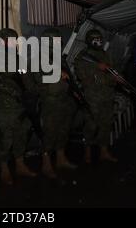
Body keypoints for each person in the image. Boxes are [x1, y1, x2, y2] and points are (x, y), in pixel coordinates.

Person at [0, 28, 37, 185]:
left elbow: (27, 78)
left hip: (22, 106)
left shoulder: (18, 59)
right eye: (11, 40)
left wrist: (31, 94)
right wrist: (18, 94)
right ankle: (4, 168)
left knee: (21, 135)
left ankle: (20, 164)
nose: (14, 43)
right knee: (6, 138)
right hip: (6, 106)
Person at [37, 28, 78, 178]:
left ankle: (61, 159)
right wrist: (56, 74)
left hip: (63, 99)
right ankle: (46, 163)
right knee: (49, 133)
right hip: (50, 101)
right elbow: (37, 80)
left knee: (63, 131)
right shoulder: (39, 58)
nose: (57, 43)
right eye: (54, 40)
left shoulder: (59, 58)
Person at [73, 29, 118, 163]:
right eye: (95, 38)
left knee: (106, 124)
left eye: (99, 38)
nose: (98, 41)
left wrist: (114, 78)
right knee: (91, 125)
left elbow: (112, 73)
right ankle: (87, 152)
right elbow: (81, 76)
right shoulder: (82, 56)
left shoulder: (105, 55)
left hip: (107, 96)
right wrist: (97, 68)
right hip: (92, 97)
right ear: (88, 40)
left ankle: (104, 151)